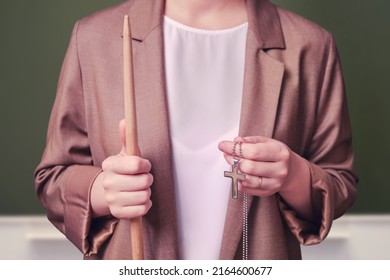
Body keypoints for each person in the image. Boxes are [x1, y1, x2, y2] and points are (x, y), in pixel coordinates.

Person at [34, 0, 358, 260]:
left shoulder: (311, 45)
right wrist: (102, 192)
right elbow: (53, 179)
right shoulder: (95, 38)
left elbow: (339, 182)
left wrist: (293, 176)